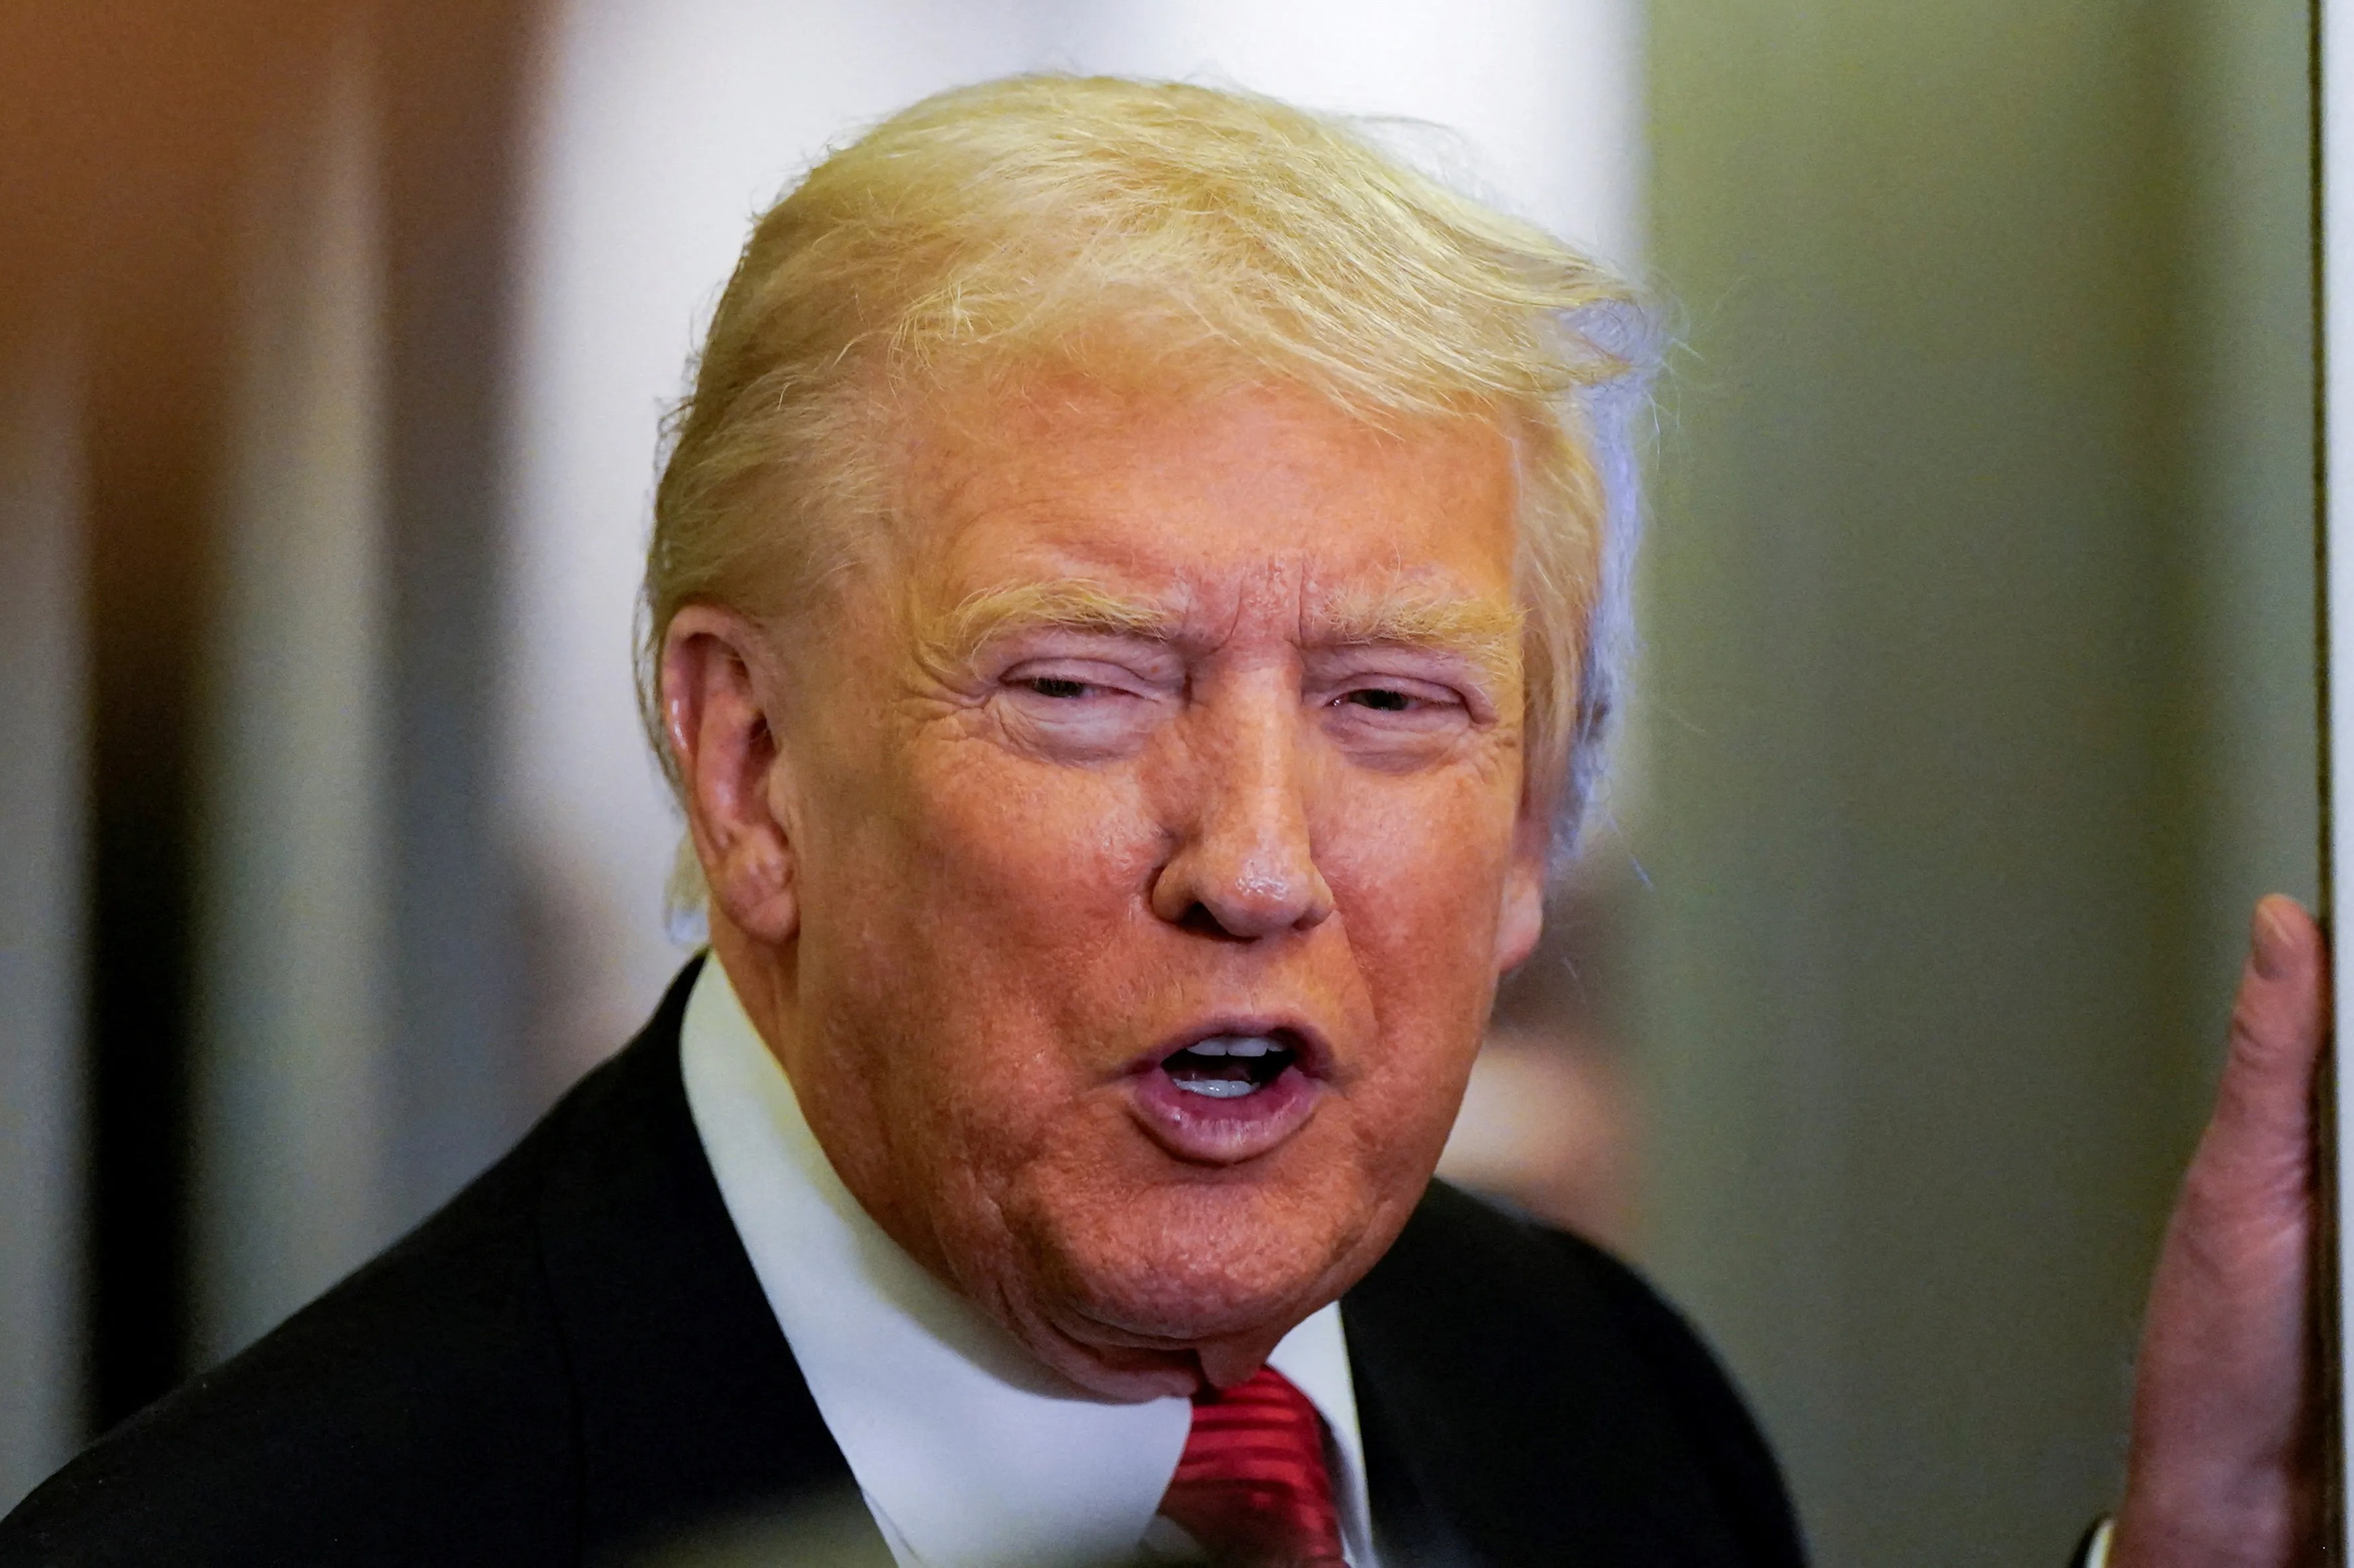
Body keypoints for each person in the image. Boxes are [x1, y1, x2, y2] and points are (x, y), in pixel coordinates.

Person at [0, 74, 2324, 1568]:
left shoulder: (1607, 1417)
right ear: (751, 770)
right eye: (1086, 688)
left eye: (1397, 701)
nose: (1257, 857)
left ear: (1539, 822)